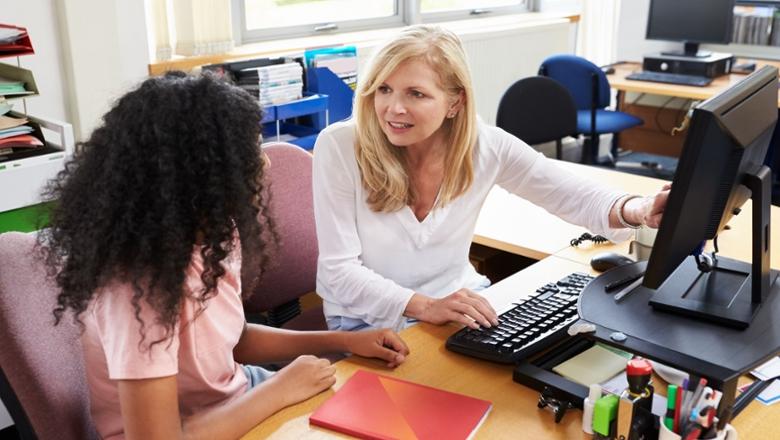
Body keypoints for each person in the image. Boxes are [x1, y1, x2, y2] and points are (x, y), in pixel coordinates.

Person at [39, 72, 409, 440]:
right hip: (190, 430)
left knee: (385, 416)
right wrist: (279, 389)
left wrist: (342, 341)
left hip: (237, 399)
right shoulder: (139, 289)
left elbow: (235, 341)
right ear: (197, 172)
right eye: (247, 154)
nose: (264, 164)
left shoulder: (214, 233)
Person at [313, 25, 669, 332]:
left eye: (416, 93)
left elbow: (569, 193)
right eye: (383, 89)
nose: (393, 108)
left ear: (455, 103)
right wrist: (423, 306)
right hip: (366, 321)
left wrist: (638, 210)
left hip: (458, 302)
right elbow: (339, 273)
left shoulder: (483, 146)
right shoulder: (341, 146)